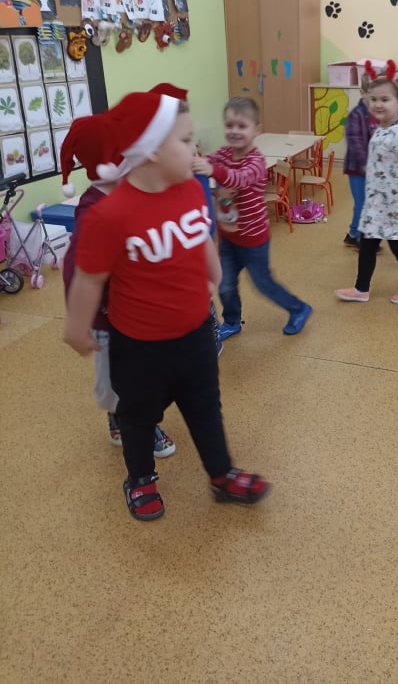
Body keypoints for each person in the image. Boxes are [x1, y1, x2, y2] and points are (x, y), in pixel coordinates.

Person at [64, 91, 269, 521]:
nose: (196, 150)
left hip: (195, 335)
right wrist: (77, 328)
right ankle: (140, 479)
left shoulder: (191, 190)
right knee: (138, 417)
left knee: (206, 408)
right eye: (186, 140)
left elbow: (201, 235)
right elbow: (89, 278)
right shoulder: (110, 214)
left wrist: (214, 274)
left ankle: (221, 475)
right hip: (140, 347)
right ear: (153, 149)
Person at [61, 116, 176, 457]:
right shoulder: (93, 210)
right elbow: (76, 270)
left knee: (147, 374)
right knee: (118, 382)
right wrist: (81, 320)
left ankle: (135, 414)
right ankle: (127, 420)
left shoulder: (132, 191)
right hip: (109, 319)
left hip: (141, 312)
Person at [193, 96, 311, 340]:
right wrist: (194, 157)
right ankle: (232, 321)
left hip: (254, 239)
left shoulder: (256, 161)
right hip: (229, 237)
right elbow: (208, 161)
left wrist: (212, 170)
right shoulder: (224, 153)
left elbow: (239, 179)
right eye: (229, 125)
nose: (234, 131)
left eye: (242, 126)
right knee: (225, 283)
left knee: (263, 284)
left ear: (256, 129)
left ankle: (298, 308)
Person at [335, 60, 398, 305]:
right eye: (374, 99)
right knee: (367, 245)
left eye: (385, 99)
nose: (378, 104)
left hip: (396, 208)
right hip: (377, 206)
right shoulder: (382, 128)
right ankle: (361, 289)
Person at [149, 83, 223, 359]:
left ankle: (210, 337)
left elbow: (206, 213)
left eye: (190, 139)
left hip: (198, 244)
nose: (193, 147)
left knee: (203, 298)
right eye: (184, 139)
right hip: (177, 254)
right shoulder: (161, 176)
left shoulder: (194, 169)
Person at [342, 75, 377, 249]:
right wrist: (366, 164)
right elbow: (354, 141)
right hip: (357, 168)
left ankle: (354, 234)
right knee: (362, 203)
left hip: (373, 169)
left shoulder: (377, 114)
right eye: (371, 95)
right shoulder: (356, 114)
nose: (375, 100)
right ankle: (358, 236)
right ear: (362, 92)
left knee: (368, 203)